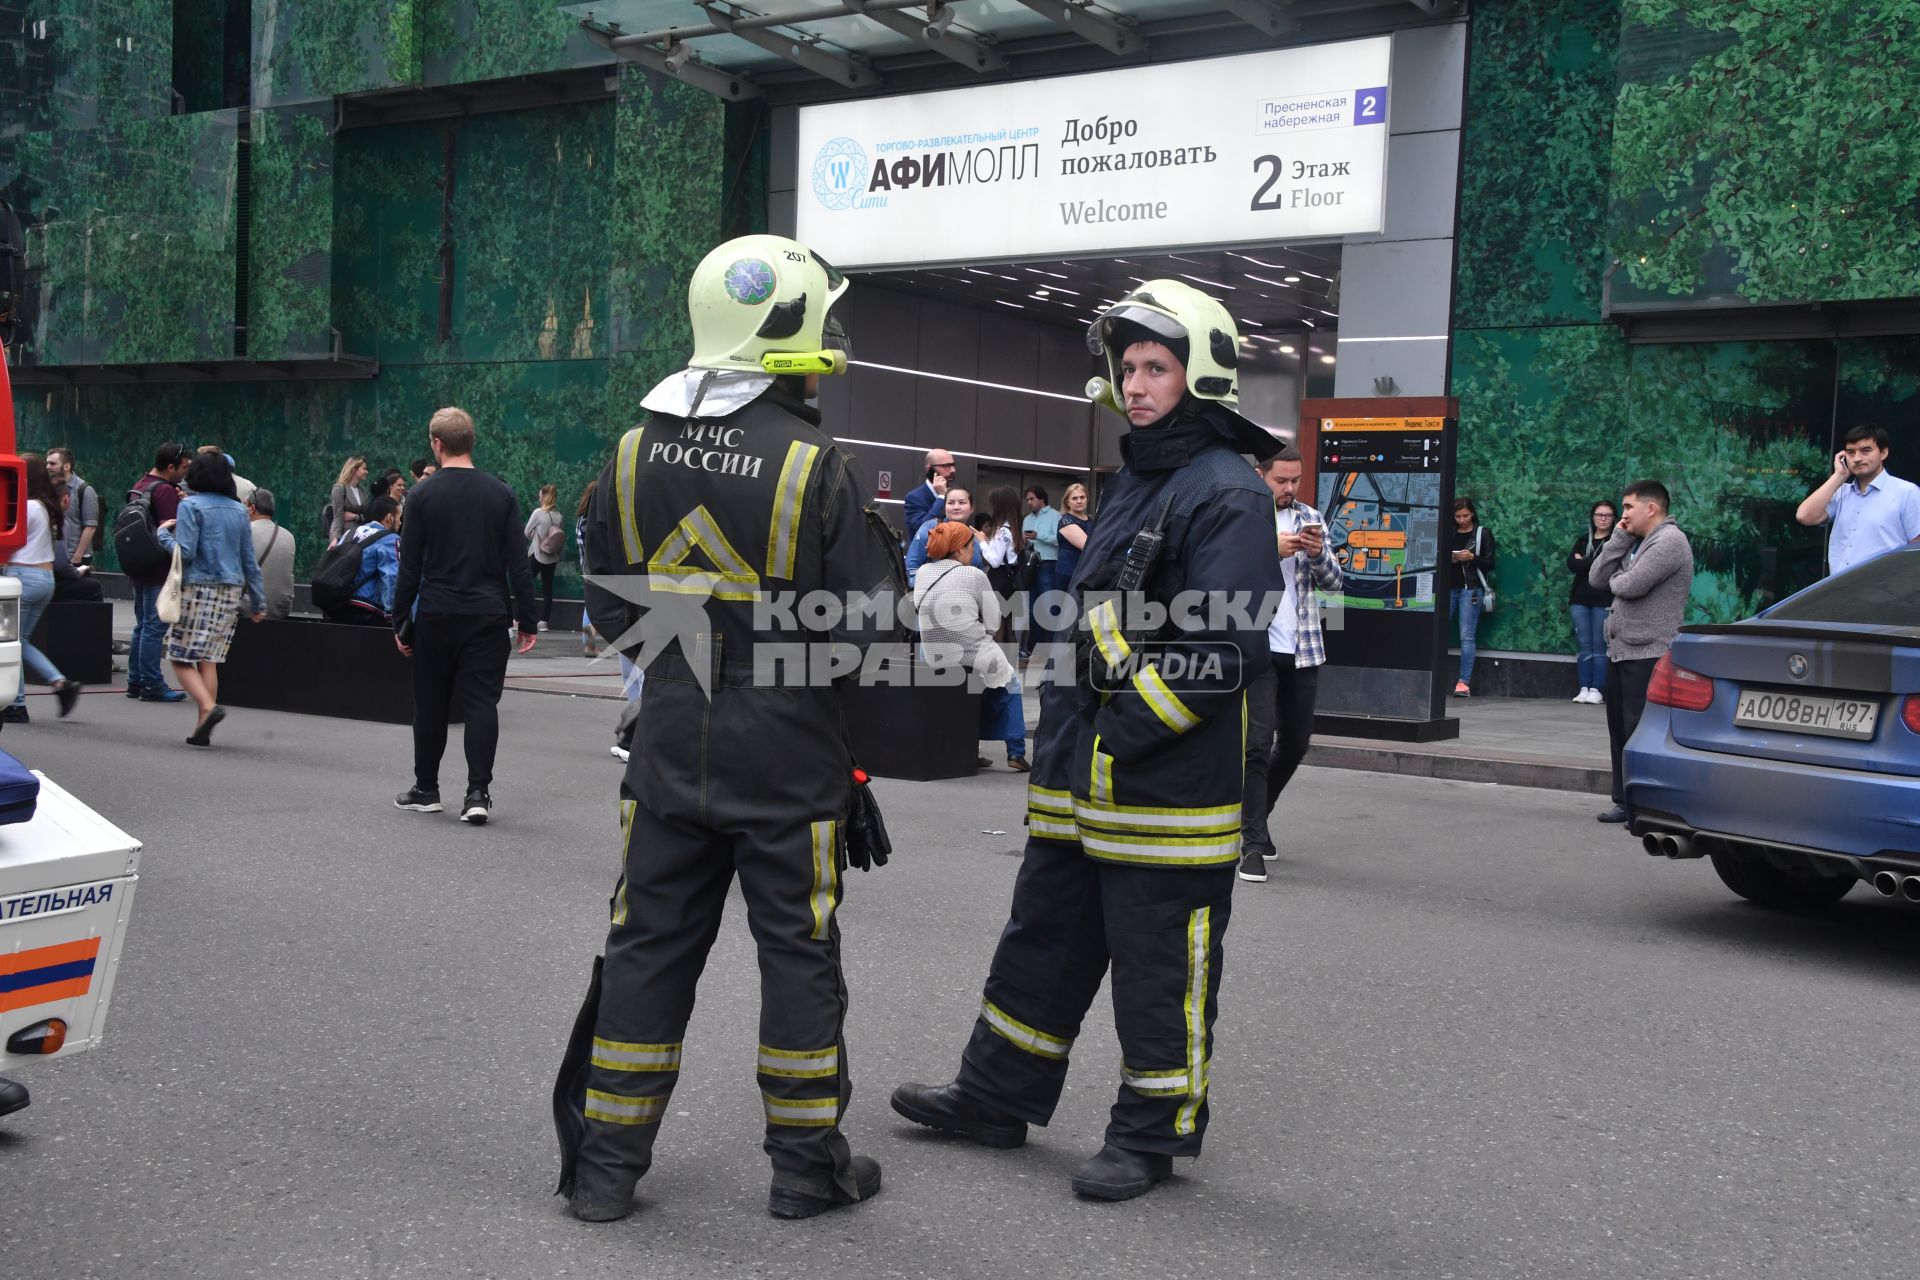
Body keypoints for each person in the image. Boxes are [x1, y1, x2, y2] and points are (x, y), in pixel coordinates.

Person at [891, 280, 1282, 1202]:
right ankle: (994, 1096)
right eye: (1129, 367)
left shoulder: (1226, 491)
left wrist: (1123, 732)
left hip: (1160, 792)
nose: (1136, 384)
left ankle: (1151, 1137)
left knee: (1161, 968)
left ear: (1204, 378)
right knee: (1043, 940)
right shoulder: (1143, 476)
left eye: (1157, 367)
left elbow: (1225, 653)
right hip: (1081, 781)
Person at [557, 233, 902, 1225]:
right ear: (787, 324)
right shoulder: (815, 464)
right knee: (798, 954)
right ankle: (805, 1169)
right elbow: (873, 633)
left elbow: (613, 614)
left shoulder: (628, 454)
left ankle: (606, 1170)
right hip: (788, 758)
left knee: (645, 948)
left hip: (666, 743)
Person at [390, 408, 539, 825]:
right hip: (488, 613)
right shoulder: (501, 493)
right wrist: (527, 618)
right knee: (481, 703)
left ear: (436, 444)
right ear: (471, 442)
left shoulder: (421, 496)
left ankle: (426, 788)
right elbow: (518, 563)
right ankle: (477, 792)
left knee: (431, 704)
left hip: (437, 612)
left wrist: (400, 620)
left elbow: (410, 567)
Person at [1239, 446, 1344, 884]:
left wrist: (1318, 554)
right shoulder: (1243, 516)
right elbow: (1223, 576)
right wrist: (1271, 551)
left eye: (1295, 480)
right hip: (1258, 647)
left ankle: (1260, 814)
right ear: (1262, 475)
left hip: (1303, 648)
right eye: (1281, 480)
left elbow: (1336, 584)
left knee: (1297, 742)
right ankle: (1251, 843)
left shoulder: (1312, 518)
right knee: (1257, 743)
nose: (1289, 487)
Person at [1590, 480, 1693, 823]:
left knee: (1640, 730)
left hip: (1649, 652)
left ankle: (1647, 804)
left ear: (1651, 508)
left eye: (1628, 508)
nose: (1623, 516)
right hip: (1622, 649)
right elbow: (1596, 578)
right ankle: (1625, 800)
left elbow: (1630, 585)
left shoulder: (1670, 541)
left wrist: (1621, 576)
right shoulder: (1635, 542)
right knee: (1619, 729)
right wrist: (1618, 541)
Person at [155, 452, 265, 747]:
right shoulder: (239, 511)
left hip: (197, 588)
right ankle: (202, 725)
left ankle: (207, 706)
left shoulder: (190, 506)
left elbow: (186, 552)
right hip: (230, 590)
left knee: (178, 656)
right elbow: (249, 560)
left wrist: (163, 536)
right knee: (209, 658)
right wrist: (259, 601)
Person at [916, 521, 1028, 772]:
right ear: (959, 550)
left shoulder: (923, 572)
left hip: (934, 653)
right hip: (972, 650)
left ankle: (968, 746)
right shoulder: (974, 575)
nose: (974, 551)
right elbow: (992, 621)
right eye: (971, 546)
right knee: (1010, 683)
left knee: (969, 693)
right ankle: (1016, 753)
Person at [1, 455, 83, 723]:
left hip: (23, 575)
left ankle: (17, 702)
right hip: (45, 578)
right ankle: (59, 683)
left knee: (12, 642)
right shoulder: (47, 507)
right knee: (21, 640)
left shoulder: (26, 507)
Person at [1795, 424, 1920, 576]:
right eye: (1850, 452)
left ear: (1883, 452)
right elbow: (1805, 516)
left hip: (1887, 592)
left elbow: (1916, 551)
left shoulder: (1906, 492)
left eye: (1866, 450)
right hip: (1841, 590)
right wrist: (1839, 476)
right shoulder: (1841, 492)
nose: (1857, 458)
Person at [128, 443, 191, 703]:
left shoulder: (141, 484)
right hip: (159, 568)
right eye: (183, 468)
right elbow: (172, 529)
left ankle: (136, 680)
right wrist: (185, 507)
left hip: (138, 564)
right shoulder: (164, 491)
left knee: (142, 626)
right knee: (154, 628)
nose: (184, 475)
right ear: (170, 467)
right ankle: (153, 684)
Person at [1566, 500, 1617, 705]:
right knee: (1584, 645)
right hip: (1579, 599)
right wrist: (1593, 564)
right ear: (1593, 517)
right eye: (1599, 515)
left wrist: (1584, 563)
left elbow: (1608, 566)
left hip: (1603, 599)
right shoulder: (1582, 540)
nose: (1603, 519)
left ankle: (1598, 688)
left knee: (1600, 645)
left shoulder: (1615, 542)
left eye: (1607, 515)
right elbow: (1572, 563)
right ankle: (1584, 687)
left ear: (1614, 519)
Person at [323, 496, 402, 625]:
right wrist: (392, 615)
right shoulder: (390, 539)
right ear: (389, 518)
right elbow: (391, 578)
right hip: (366, 610)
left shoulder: (350, 532)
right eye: (399, 517)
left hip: (339, 605)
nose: (400, 522)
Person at [1448, 497, 1495, 697]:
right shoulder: (1448, 532)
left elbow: (1490, 563)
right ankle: (1433, 676)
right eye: (1458, 516)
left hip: (1470, 589)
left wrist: (1472, 558)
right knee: (1438, 633)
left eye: (1465, 516)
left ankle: (1463, 682)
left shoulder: (1482, 533)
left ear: (1472, 514)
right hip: (1448, 588)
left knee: (1466, 635)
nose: (1462, 520)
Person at [903, 486, 985, 584]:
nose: (956, 507)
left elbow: (978, 572)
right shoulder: (931, 527)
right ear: (945, 507)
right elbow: (912, 565)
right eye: (951, 503)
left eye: (962, 502)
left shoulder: (975, 538)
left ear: (972, 508)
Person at [1019, 485, 1061, 664]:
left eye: (1031, 499)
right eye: (1027, 500)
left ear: (1041, 498)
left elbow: (1060, 540)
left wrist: (1039, 536)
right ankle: (1033, 647)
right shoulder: (1026, 519)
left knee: (1050, 606)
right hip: (1030, 565)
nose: (1029, 502)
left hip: (1048, 563)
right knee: (1032, 607)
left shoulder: (1055, 516)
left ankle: (1051, 647)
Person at [44, 446, 99, 569]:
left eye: (52, 463)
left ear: (67, 466)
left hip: (75, 557)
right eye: (47, 463)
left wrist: (77, 557)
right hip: (52, 556)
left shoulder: (85, 490)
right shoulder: (48, 487)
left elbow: (90, 526)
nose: (48, 467)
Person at [247, 488, 297, 621]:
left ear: (252, 508)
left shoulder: (245, 531)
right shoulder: (289, 537)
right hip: (280, 610)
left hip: (250, 609)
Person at [524, 484, 564, 631]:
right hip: (552, 557)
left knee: (526, 585)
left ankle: (521, 617)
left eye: (540, 495)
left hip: (536, 554)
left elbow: (526, 532)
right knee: (548, 590)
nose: (539, 497)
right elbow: (559, 538)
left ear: (545, 496)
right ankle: (544, 621)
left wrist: (536, 538)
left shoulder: (537, 513)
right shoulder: (559, 516)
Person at [575, 480, 601, 658]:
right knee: (604, 607)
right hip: (599, 569)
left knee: (590, 607)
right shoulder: (594, 521)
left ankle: (589, 645)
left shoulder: (581, 519)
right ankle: (590, 643)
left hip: (587, 568)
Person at [904, 448, 957, 531]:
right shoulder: (914, 497)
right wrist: (941, 497)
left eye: (953, 465)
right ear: (929, 469)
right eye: (946, 466)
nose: (953, 470)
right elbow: (923, 528)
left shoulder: (954, 494)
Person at [1055, 482, 1092, 586]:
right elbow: (1089, 546)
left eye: (1082, 497)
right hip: (1069, 573)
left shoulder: (1091, 520)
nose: (1079, 501)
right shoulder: (1066, 521)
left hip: (1085, 572)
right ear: (1067, 501)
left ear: (1087, 499)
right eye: (1074, 498)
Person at [328, 456, 369, 544]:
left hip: (361, 538)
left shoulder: (363, 491)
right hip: (346, 538)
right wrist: (335, 539)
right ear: (354, 469)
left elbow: (367, 516)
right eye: (364, 469)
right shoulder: (339, 488)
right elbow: (338, 518)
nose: (367, 472)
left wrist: (355, 517)